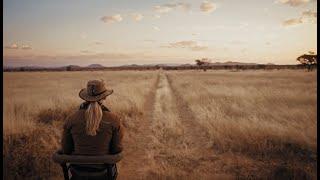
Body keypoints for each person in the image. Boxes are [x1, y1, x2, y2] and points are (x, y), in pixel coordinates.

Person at [61, 79, 124, 179]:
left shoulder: (71, 118)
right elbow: (117, 149)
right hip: (103, 173)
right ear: (105, 97)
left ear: (85, 97)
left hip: (77, 173)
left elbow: (66, 149)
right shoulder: (114, 119)